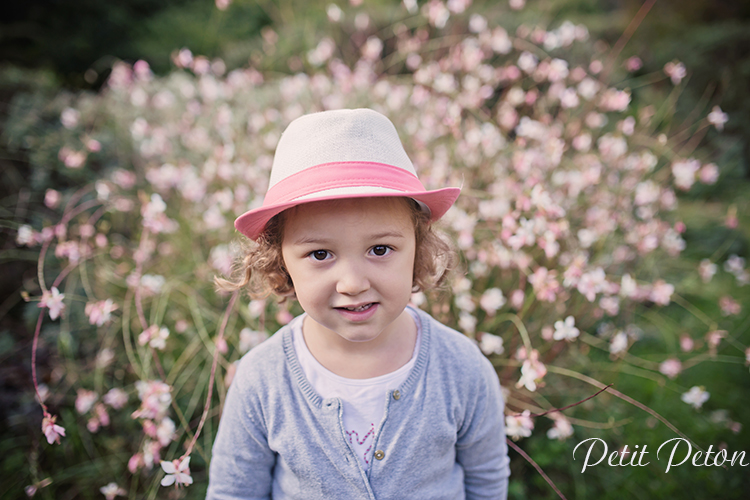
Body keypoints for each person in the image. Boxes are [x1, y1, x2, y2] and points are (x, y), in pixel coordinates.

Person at [207, 108, 510, 500]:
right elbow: (234, 493)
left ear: (418, 250)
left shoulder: (462, 369)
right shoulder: (261, 380)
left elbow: (486, 482)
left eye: (380, 249)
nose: (352, 283)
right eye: (320, 254)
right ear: (281, 262)